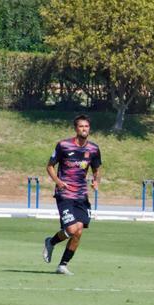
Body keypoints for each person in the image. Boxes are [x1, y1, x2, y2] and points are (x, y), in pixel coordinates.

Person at [42, 114, 102, 275]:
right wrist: (58, 182)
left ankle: (62, 265)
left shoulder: (93, 149)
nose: (84, 129)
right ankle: (51, 242)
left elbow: (97, 169)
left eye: (87, 126)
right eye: (81, 126)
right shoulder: (63, 145)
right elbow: (49, 166)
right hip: (65, 193)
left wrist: (96, 181)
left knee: (79, 231)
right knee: (72, 228)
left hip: (81, 195)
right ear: (76, 129)